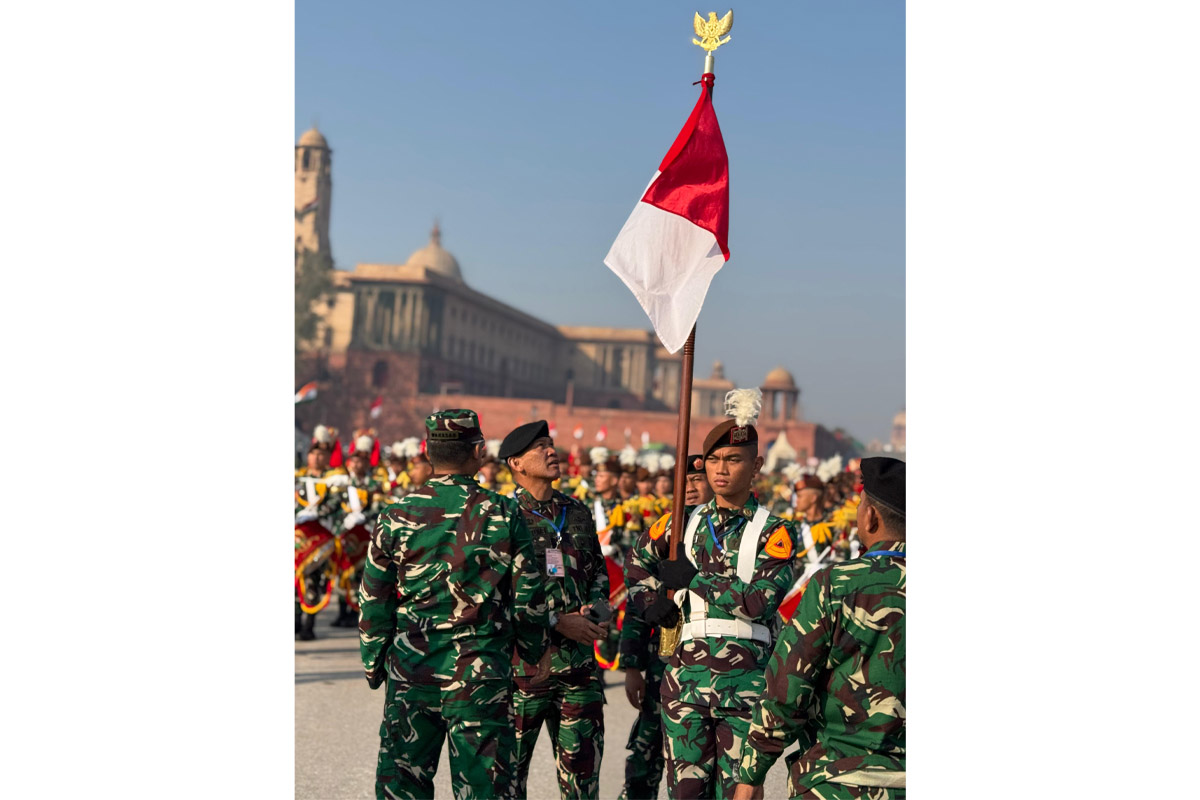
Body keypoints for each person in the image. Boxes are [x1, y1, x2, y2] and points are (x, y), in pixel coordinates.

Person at [358, 410, 551, 800]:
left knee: (402, 787)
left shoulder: (396, 514)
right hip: (481, 677)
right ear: (479, 451)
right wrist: (535, 651)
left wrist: (373, 663)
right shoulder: (504, 511)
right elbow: (528, 595)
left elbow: (375, 598)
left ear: (428, 452)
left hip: (412, 672)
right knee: (484, 789)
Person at [630, 389, 798, 799]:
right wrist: (652, 604)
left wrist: (695, 578)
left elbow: (760, 602)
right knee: (684, 793)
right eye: (714, 460)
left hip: (746, 684)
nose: (720, 470)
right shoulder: (681, 524)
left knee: (737, 794)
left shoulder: (774, 531)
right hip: (685, 679)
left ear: (756, 464)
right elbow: (637, 565)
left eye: (734, 460)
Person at [734, 457, 905, 800]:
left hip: (837, 780)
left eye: (860, 505)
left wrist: (752, 773)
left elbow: (787, 687)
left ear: (870, 516)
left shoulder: (836, 583)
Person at [502, 421, 610, 800]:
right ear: (516, 463)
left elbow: (598, 572)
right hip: (522, 672)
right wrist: (555, 621)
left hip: (579, 671)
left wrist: (595, 614)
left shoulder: (576, 512)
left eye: (551, 444)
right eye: (540, 448)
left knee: (582, 783)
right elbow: (496, 593)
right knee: (507, 782)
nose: (552, 452)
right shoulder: (502, 516)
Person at [617, 455, 712, 800]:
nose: (689, 487)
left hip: (711, 664)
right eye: (683, 480)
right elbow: (637, 598)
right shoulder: (668, 529)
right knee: (645, 755)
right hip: (665, 660)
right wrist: (632, 666)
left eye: (698, 479)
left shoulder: (727, 532)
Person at [329, 434, 388, 628]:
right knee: (342, 573)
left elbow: (379, 507)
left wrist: (368, 519)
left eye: (361, 460)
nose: (356, 464)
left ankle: (357, 612)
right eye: (354, 460)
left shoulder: (373, 484)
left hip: (365, 534)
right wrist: (341, 522)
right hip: (345, 533)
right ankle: (342, 611)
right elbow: (334, 507)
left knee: (362, 575)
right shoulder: (342, 484)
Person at [295, 441, 339, 640]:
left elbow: (337, 502)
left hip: (321, 538)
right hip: (298, 536)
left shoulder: (332, 479)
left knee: (314, 581)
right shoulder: (297, 477)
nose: (317, 458)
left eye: (321, 455)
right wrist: (298, 512)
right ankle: (295, 621)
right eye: (314, 454)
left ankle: (309, 625)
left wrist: (318, 512)